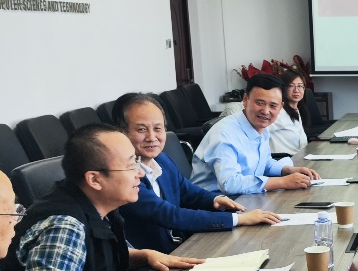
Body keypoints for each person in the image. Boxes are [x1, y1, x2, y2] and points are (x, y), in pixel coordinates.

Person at [3, 124, 203, 271]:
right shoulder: (64, 225)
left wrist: (142, 255)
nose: (140, 173)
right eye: (130, 166)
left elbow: (88, 255)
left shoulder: (96, 202)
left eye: (136, 161)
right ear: (95, 180)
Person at [113, 93, 280, 254]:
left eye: (158, 128)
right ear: (121, 132)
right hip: (152, 261)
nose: (152, 137)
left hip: (183, 247)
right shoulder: (125, 177)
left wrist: (215, 199)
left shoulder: (162, 160)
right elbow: (170, 215)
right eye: (141, 129)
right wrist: (238, 219)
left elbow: (187, 191)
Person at [192, 74, 321, 194]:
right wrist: (283, 182)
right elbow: (229, 184)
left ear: (281, 107)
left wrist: (287, 170)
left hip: (244, 198)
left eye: (273, 105)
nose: (265, 111)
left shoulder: (260, 127)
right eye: (260, 103)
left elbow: (263, 163)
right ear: (245, 100)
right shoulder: (224, 134)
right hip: (213, 204)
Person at [268, 70, 310, 156]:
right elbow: (258, 133)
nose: (296, 90)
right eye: (291, 86)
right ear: (283, 89)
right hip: (284, 160)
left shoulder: (296, 109)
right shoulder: (278, 113)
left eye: (300, 86)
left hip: (299, 157)